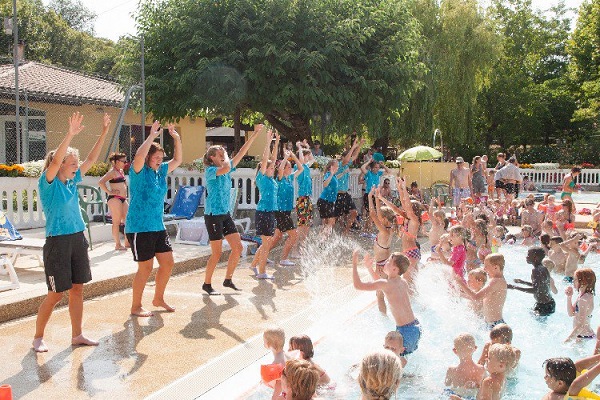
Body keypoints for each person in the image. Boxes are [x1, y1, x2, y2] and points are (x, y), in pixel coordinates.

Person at [33, 112, 111, 352]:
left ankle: (77, 335)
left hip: (77, 238)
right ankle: (38, 337)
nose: (77, 166)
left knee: (78, 289)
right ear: (60, 165)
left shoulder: (71, 181)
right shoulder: (48, 183)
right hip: (57, 242)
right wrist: (69, 134)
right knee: (55, 295)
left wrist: (104, 133)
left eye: (76, 163)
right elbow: (56, 161)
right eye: (72, 163)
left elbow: (91, 159)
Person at [125, 120, 182, 317]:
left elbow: (177, 160)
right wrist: (151, 136)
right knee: (146, 268)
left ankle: (158, 298)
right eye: (156, 157)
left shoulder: (160, 172)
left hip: (157, 225)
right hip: (139, 227)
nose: (159, 160)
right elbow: (138, 156)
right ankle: (136, 306)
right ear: (148, 157)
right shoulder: (139, 171)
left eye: (161, 158)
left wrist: (176, 139)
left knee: (168, 263)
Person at [201, 125, 264, 294]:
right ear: (212, 157)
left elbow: (241, 153)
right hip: (213, 216)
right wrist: (226, 156)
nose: (224, 156)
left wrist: (254, 135)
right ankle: (207, 284)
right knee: (216, 253)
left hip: (225, 214)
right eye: (220, 154)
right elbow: (227, 167)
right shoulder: (211, 170)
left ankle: (228, 280)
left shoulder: (226, 168)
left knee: (238, 248)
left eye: (224, 154)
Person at [352, 250, 421, 355]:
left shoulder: (386, 284)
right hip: (415, 328)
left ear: (394, 269)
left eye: (388, 261)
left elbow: (358, 285)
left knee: (392, 360)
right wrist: (369, 268)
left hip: (404, 332)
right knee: (403, 357)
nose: (385, 262)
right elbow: (382, 284)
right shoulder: (403, 282)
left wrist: (354, 264)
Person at [250, 130, 280, 280]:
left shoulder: (271, 179)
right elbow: (266, 159)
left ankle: (253, 265)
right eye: (271, 167)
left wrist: (277, 142)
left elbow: (273, 159)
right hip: (263, 213)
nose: (273, 168)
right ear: (264, 168)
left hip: (270, 213)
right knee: (266, 244)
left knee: (266, 243)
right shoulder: (261, 178)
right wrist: (268, 142)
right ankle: (262, 272)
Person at [455, 254, 508, 330]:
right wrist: (460, 293)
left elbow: (476, 297)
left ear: (496, 267)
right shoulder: (497, 280)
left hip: (495, 325)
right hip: (492, 323)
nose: (484, 269)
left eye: (486, 266)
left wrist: (461, 283)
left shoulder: (496, 281)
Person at [272, 149, 304, 266]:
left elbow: (301, 168)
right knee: (293, 235)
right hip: (280, 211)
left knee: (277, 237)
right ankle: (283, 259)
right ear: (284, 168)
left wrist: (293, 156)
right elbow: (280, 169)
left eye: (291, 167)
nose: (291, 169)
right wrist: (285, 158)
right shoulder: (279, 178)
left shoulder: (289, 178)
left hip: (286, 210)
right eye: (289, 167)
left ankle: (261, 257)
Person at [450, 344, 516, 400]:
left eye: (489, 358)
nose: (486, 359)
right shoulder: (503, 379)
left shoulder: (488, 381)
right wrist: (477, 385)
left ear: (501, 365)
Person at [369, 187, 397, 314]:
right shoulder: (390, 228)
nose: (379, 219)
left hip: (382, 266)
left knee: (380, 296)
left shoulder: (384, 231)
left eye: (381, 217)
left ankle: (384, 318)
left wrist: (370, 197)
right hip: (385, 263)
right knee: (386, 294)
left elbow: (373, 215)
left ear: (385, 219)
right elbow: (379, 214)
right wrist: (377, 197)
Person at [507, 247, 555, 316]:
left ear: (535, 258)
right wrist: (523, 282)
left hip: (543, 306)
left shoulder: (536, 271)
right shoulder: (543, 268)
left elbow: (535, 290)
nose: (526, 257)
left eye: (528, 255)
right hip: (549, 303)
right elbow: (540, 286)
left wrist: (514, 287)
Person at [98, 152, 130, 250]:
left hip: (123, 199)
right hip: (115, 198)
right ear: (116, 161)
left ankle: (127, 242)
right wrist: (109, 192)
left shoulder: (121, 171)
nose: (125, 163)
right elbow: (101, 182)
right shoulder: (112, 172)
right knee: (116, 222)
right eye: (123, 161)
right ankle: (117, 244)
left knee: (128, 220)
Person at [335, 137, 363, 234]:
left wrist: (360, 145)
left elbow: (354, 156)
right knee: (336, 216)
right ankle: (335, 231)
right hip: (337, 194)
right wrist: (353, 147)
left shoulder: (346, 165)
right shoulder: (340, 165)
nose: (349, 158)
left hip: (345, 194)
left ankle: (346, 231)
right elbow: (348, 158)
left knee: (354, 212)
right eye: (347, 157)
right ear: (342, 158)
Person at [445, 333, 485, 398]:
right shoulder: (481, 369)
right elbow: (483, 389)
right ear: (475, 348)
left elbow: (446, 388)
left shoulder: (451, 370)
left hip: (456, 395)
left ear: (455, 351)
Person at [294, 142, 315, 254]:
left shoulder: (306, 166)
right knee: (301, 225)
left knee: (307, 225)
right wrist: (299, 148)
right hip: (302, 199)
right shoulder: (298, 167)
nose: (307, 157)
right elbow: (301, 161)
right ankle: (295, 249)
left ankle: (302, 247)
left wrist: (307, 147)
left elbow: (312, 159)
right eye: (305, 155)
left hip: (307, 198)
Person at [360, 158, 390, 236]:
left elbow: (388, 171)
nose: (377, 169)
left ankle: (365, 231)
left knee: (371, 215)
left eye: (378, 167)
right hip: (368, 196)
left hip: (375, 196)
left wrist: (383, 165)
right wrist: (368, 162)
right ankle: (369, 231)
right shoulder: (368, 173)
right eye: (375, 167)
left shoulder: (378, 173)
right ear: (372, 168)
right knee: (371, 214)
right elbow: (362, 167)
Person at [565, 268, 596, 341]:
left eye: (575, 279)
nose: (573, 281)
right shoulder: (583, 295)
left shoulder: (584, 299)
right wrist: (569, 297)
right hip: (583, 336)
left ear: (584, 281)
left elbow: (581, 325)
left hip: (583, 337)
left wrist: (567, 341)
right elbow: (571, 313)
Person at [317, 160, 339, 236]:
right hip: (325, 201)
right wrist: (331, 174)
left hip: (328, 202)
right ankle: (323, 239)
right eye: (336, 166)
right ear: (331, 167)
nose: (338, 167)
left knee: (326, 223)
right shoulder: (328, 174)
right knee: (331, 222)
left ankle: (321, 239)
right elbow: (325, 184)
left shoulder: (334, 176)